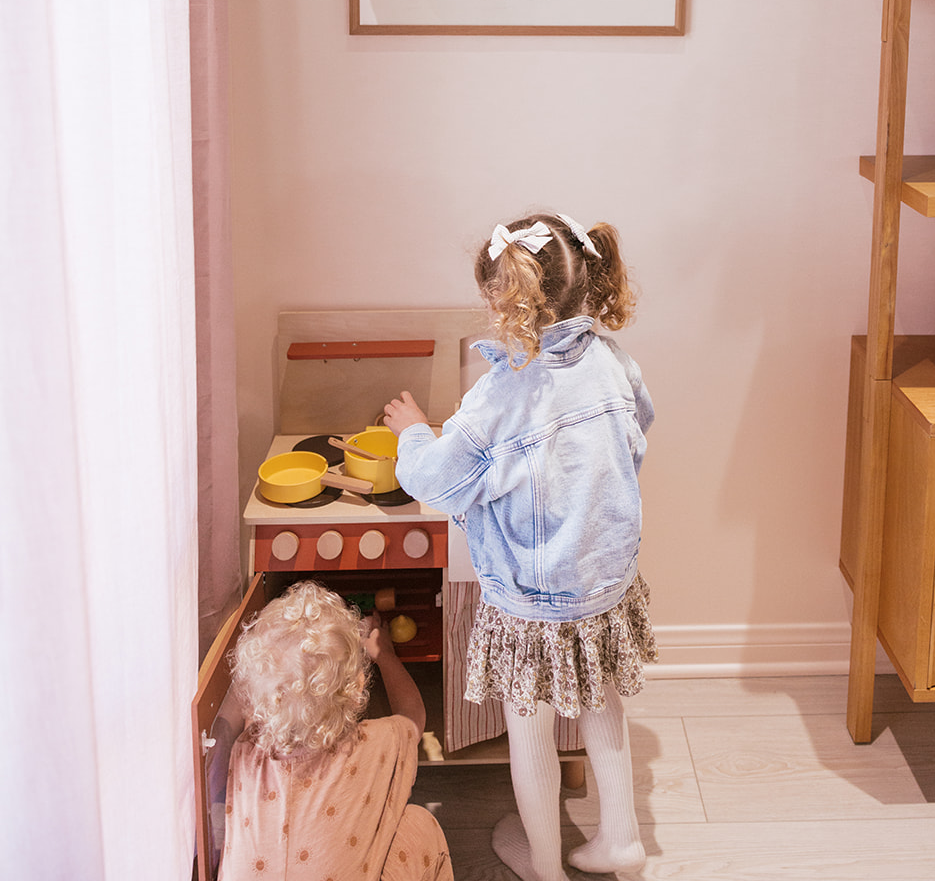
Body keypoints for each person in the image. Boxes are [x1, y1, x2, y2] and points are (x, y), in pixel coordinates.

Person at [384, 212, 655, 881]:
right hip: (603, 580)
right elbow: (635, 434)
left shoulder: (500, 396)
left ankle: (542, 865)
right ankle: (620, 839)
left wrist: (413, 432)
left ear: (507, 306)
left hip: (531, 599)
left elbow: (439, 484)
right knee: (599, 701)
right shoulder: (614, 363)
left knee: (528, 721)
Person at [219, 581, 452, 881]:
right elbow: (412, 717)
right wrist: (385, 654)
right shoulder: (371, 746)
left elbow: (234, 712)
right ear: (357, 689)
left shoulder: (245, 756)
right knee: (418, 824)